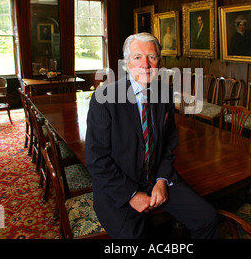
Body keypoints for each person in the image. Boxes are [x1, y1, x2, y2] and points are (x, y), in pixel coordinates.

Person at [85, 32, 218, 239]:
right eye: (138, 57)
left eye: (152, 57)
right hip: (117, 185)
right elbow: (96, 160)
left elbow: (168, 143)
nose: (146, 64)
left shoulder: (164, 93)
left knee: (208, 218)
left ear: (159, 62)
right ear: (127, 64)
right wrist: (131, 194)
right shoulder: (104, 99)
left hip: (156, 176)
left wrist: (162, 180)